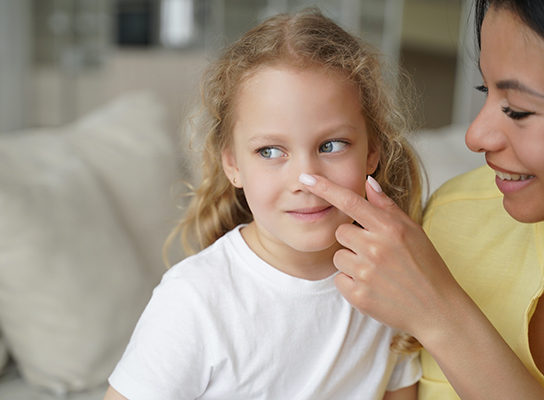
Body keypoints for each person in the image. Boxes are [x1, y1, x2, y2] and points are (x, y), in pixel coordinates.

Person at [102, 8, 424, 400]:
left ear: (372, 153)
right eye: (271, 151)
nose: (308, 180)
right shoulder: (194, 301)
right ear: (233, 165)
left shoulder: (392, 282)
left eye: (332, 145)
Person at [299, 0, 544, 398]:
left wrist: (440, 315)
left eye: (517, 110)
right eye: (485, 90)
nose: (475, 136)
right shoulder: (449, 221)